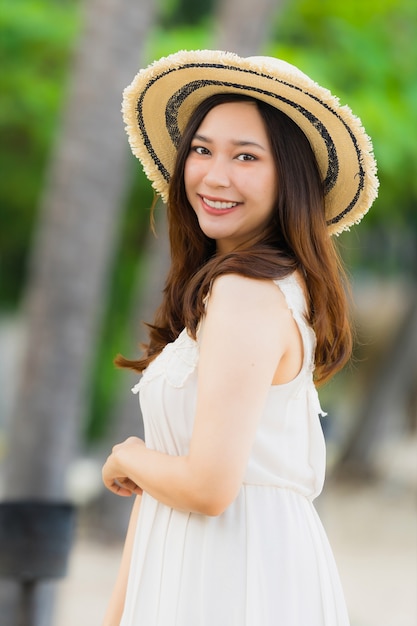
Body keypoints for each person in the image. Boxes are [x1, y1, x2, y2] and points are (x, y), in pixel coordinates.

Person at [101, 50, 378, 626]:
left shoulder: (245, 292)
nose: (214, 175)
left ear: (290, 179)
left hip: (234, 576)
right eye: (201, 150)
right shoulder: (242, 289)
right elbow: (169, 488)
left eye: (246, 156)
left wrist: (128, 456)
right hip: (203, 568)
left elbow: (206, 486)